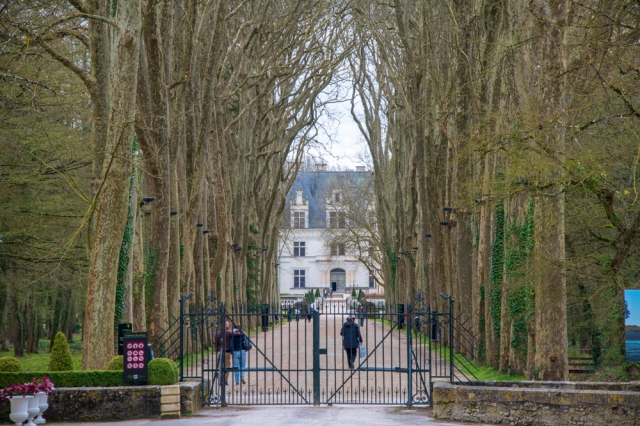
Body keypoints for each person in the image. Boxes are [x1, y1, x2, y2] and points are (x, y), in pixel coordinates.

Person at [215, 320, 241, 385]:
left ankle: (220, 378)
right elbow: (236, 334)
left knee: (220, 365)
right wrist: (242, 332)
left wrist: (216, 351)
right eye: (227, 324)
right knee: (227, 366)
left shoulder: (218, 333)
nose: (228, 325)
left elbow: (216, 343)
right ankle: (225, 380)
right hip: (226, 351)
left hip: (219, 351)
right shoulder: (228, 332)